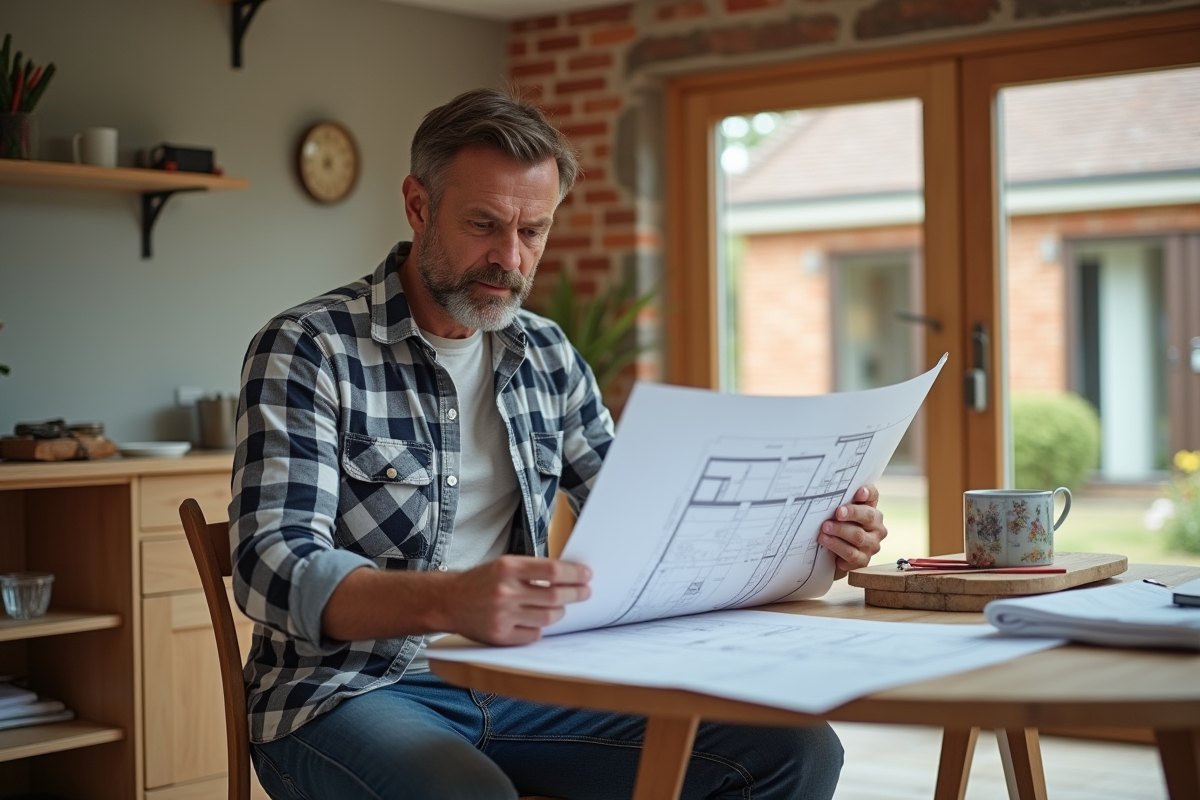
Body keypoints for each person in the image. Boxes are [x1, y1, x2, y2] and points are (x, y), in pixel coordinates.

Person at [229, 87, 888, 800]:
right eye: (483, 224)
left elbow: (646, 525)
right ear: (419, 206)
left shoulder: (546, 354)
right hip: (347, 693)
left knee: (794, 750)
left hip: (525, 678)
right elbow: (270, 568)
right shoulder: (309, 348)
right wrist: (449, 602)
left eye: (533, 231)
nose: (509, 258)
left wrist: (813, 537)